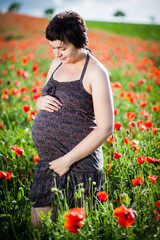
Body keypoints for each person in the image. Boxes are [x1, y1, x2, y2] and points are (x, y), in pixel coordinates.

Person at [29, 10, 114, 227]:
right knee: (38, 229)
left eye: (62, 47)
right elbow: (44, 95)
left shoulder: (96, 72)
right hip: (49, 162)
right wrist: (39, 102)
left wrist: (67, 161)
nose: (56, 53)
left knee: (76, 230)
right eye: (53, 48)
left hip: (79, 165)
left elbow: (105, 128)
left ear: (79, 42)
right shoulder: (56, 64)